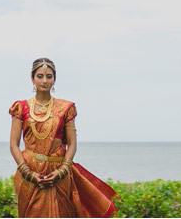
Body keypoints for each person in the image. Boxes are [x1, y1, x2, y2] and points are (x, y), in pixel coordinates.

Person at [9, 57, 118, 218]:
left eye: (49, 76)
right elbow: (13, 144)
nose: (45, 81)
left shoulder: (66, 108)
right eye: (40, 76)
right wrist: (28, 173)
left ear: (54, 79)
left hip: (58, 173)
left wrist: (61, 171)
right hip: (29, 173)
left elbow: (72, 143)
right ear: (32, 78)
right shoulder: (21, 107)